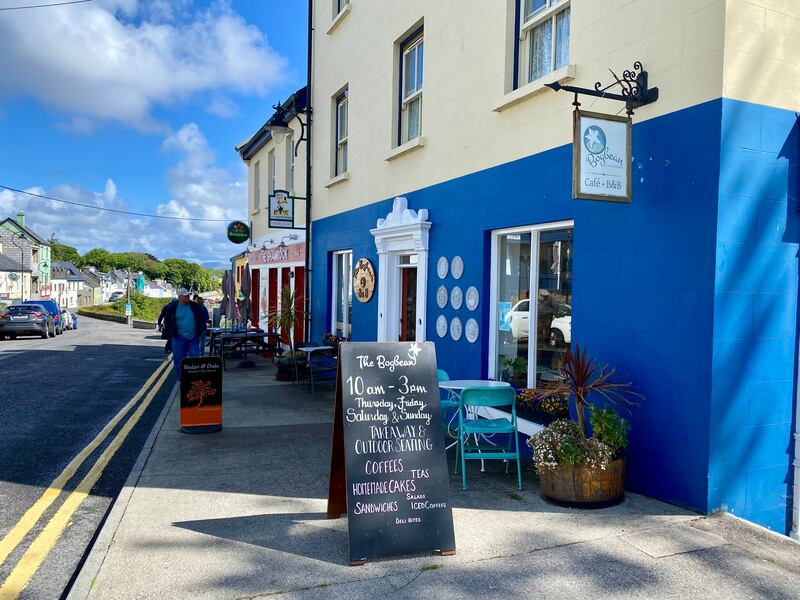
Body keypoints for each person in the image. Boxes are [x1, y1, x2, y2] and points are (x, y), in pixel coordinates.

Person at [161, 288, 207, 380]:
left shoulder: (194, 305)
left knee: (194, 358)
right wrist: (170, 333)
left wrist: (200, 330)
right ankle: (181, 379)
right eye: (185, 296)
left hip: (193, 337)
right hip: (179, 337)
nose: (187, 297)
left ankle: (193, 379)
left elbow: (202, 318)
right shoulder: (173, 306)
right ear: (180, 297)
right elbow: (167, 319)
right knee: (179, 360)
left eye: (188, 295)